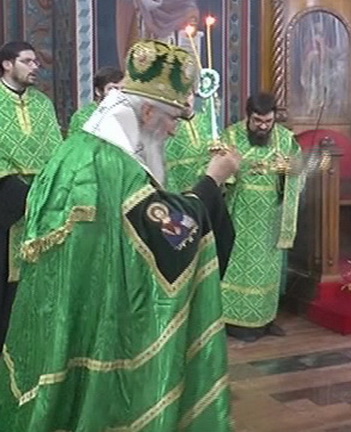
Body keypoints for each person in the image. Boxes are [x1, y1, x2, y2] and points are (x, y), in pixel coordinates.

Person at [0, 39, 240, 430]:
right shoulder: (117, 166)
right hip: (101, 323)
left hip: (61, 316)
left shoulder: (81, 147)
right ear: (146, 111)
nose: (174, 130)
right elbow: (170, 234)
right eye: (172, 118)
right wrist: (212, 182)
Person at [221, 92, 305, 342]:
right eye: (258, 121)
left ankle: (266, 319)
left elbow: (299, 173)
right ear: (248, 116)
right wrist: (230, 170)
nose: (263, 127)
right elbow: (220, 175)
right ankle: (235, 322)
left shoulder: (285, 139)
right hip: (240, 215)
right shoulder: (231, 136)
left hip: (270, 218)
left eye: (268, 121)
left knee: (267, 270)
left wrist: (288, 170)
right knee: (239, 268)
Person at [0, 41, 63, 347]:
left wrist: (48, 188)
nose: (35, 67)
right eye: (27, 61)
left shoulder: (42, 104)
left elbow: (55, 149)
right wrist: (17, 190)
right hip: (5, 199)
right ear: (7, 64)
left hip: (42, 198)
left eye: (36, 62)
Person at [165, 92, 215, 192]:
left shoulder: (206, 121)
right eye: (181, 94)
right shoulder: (166, 125)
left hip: (207, 190)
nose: (186, 101)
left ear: (194, 96)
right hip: (178, 192)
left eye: (188, 94)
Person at [68, 66, 124, 133]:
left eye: (122, 89)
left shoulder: (127, 113)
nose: (119, 93)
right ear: (98, 92)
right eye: (112, 89)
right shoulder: (83, 117)